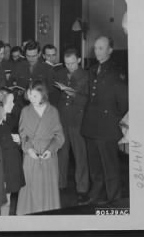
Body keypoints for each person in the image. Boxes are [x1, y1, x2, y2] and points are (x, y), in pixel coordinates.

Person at [81, 36, 128, 205]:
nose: (97, 51)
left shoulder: (116, 71)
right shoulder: (93, 69)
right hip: (91, 126)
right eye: (95, 48)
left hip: (107, 128)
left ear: (110, 50)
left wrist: (114, 120)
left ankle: (114, 200)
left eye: (101, 48)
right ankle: (95, 196)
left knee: (110, 167)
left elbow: (124, 101)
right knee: (95, 167)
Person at [16, 80, 65, 214]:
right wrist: (29, 149)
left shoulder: (53, 111)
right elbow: (23, 135)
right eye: (29, 95)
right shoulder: (25, 111)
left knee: (48, 187)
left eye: (35, 96)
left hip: (48, 155)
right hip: (30, 154)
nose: (31, 99)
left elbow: (59, 136)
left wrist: (50, 150)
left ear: (43, 95)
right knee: (30, 186)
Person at [55, 48, 89, 204]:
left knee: (80, 156)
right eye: (67, 63)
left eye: (73, 63)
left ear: (79, 60)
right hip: (62, 119)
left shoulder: (86, 75)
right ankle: (60, 185)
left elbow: (86, 100)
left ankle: (82, 189)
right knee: (62, 154)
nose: (69, 66)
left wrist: (71, 92)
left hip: (78, 120)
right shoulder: (61, 73)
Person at [0, 89, 25, 215]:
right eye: (11, 102)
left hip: (11, 164)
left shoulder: (12, 119)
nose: (13, 105)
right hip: (0, 166)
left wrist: (19, 140)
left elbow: (15, 137)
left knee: (7, 200)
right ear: (1, 103)